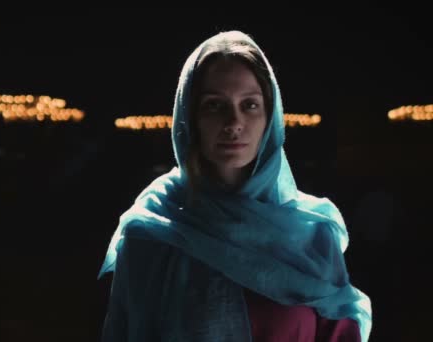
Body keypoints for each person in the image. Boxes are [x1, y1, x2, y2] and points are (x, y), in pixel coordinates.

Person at [98, 30, 372, 341]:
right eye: (215, 105)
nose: (233, 122)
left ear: (270, 117)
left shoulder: (310, 231)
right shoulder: (153, 230)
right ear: (191, 117)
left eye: (250, 105)